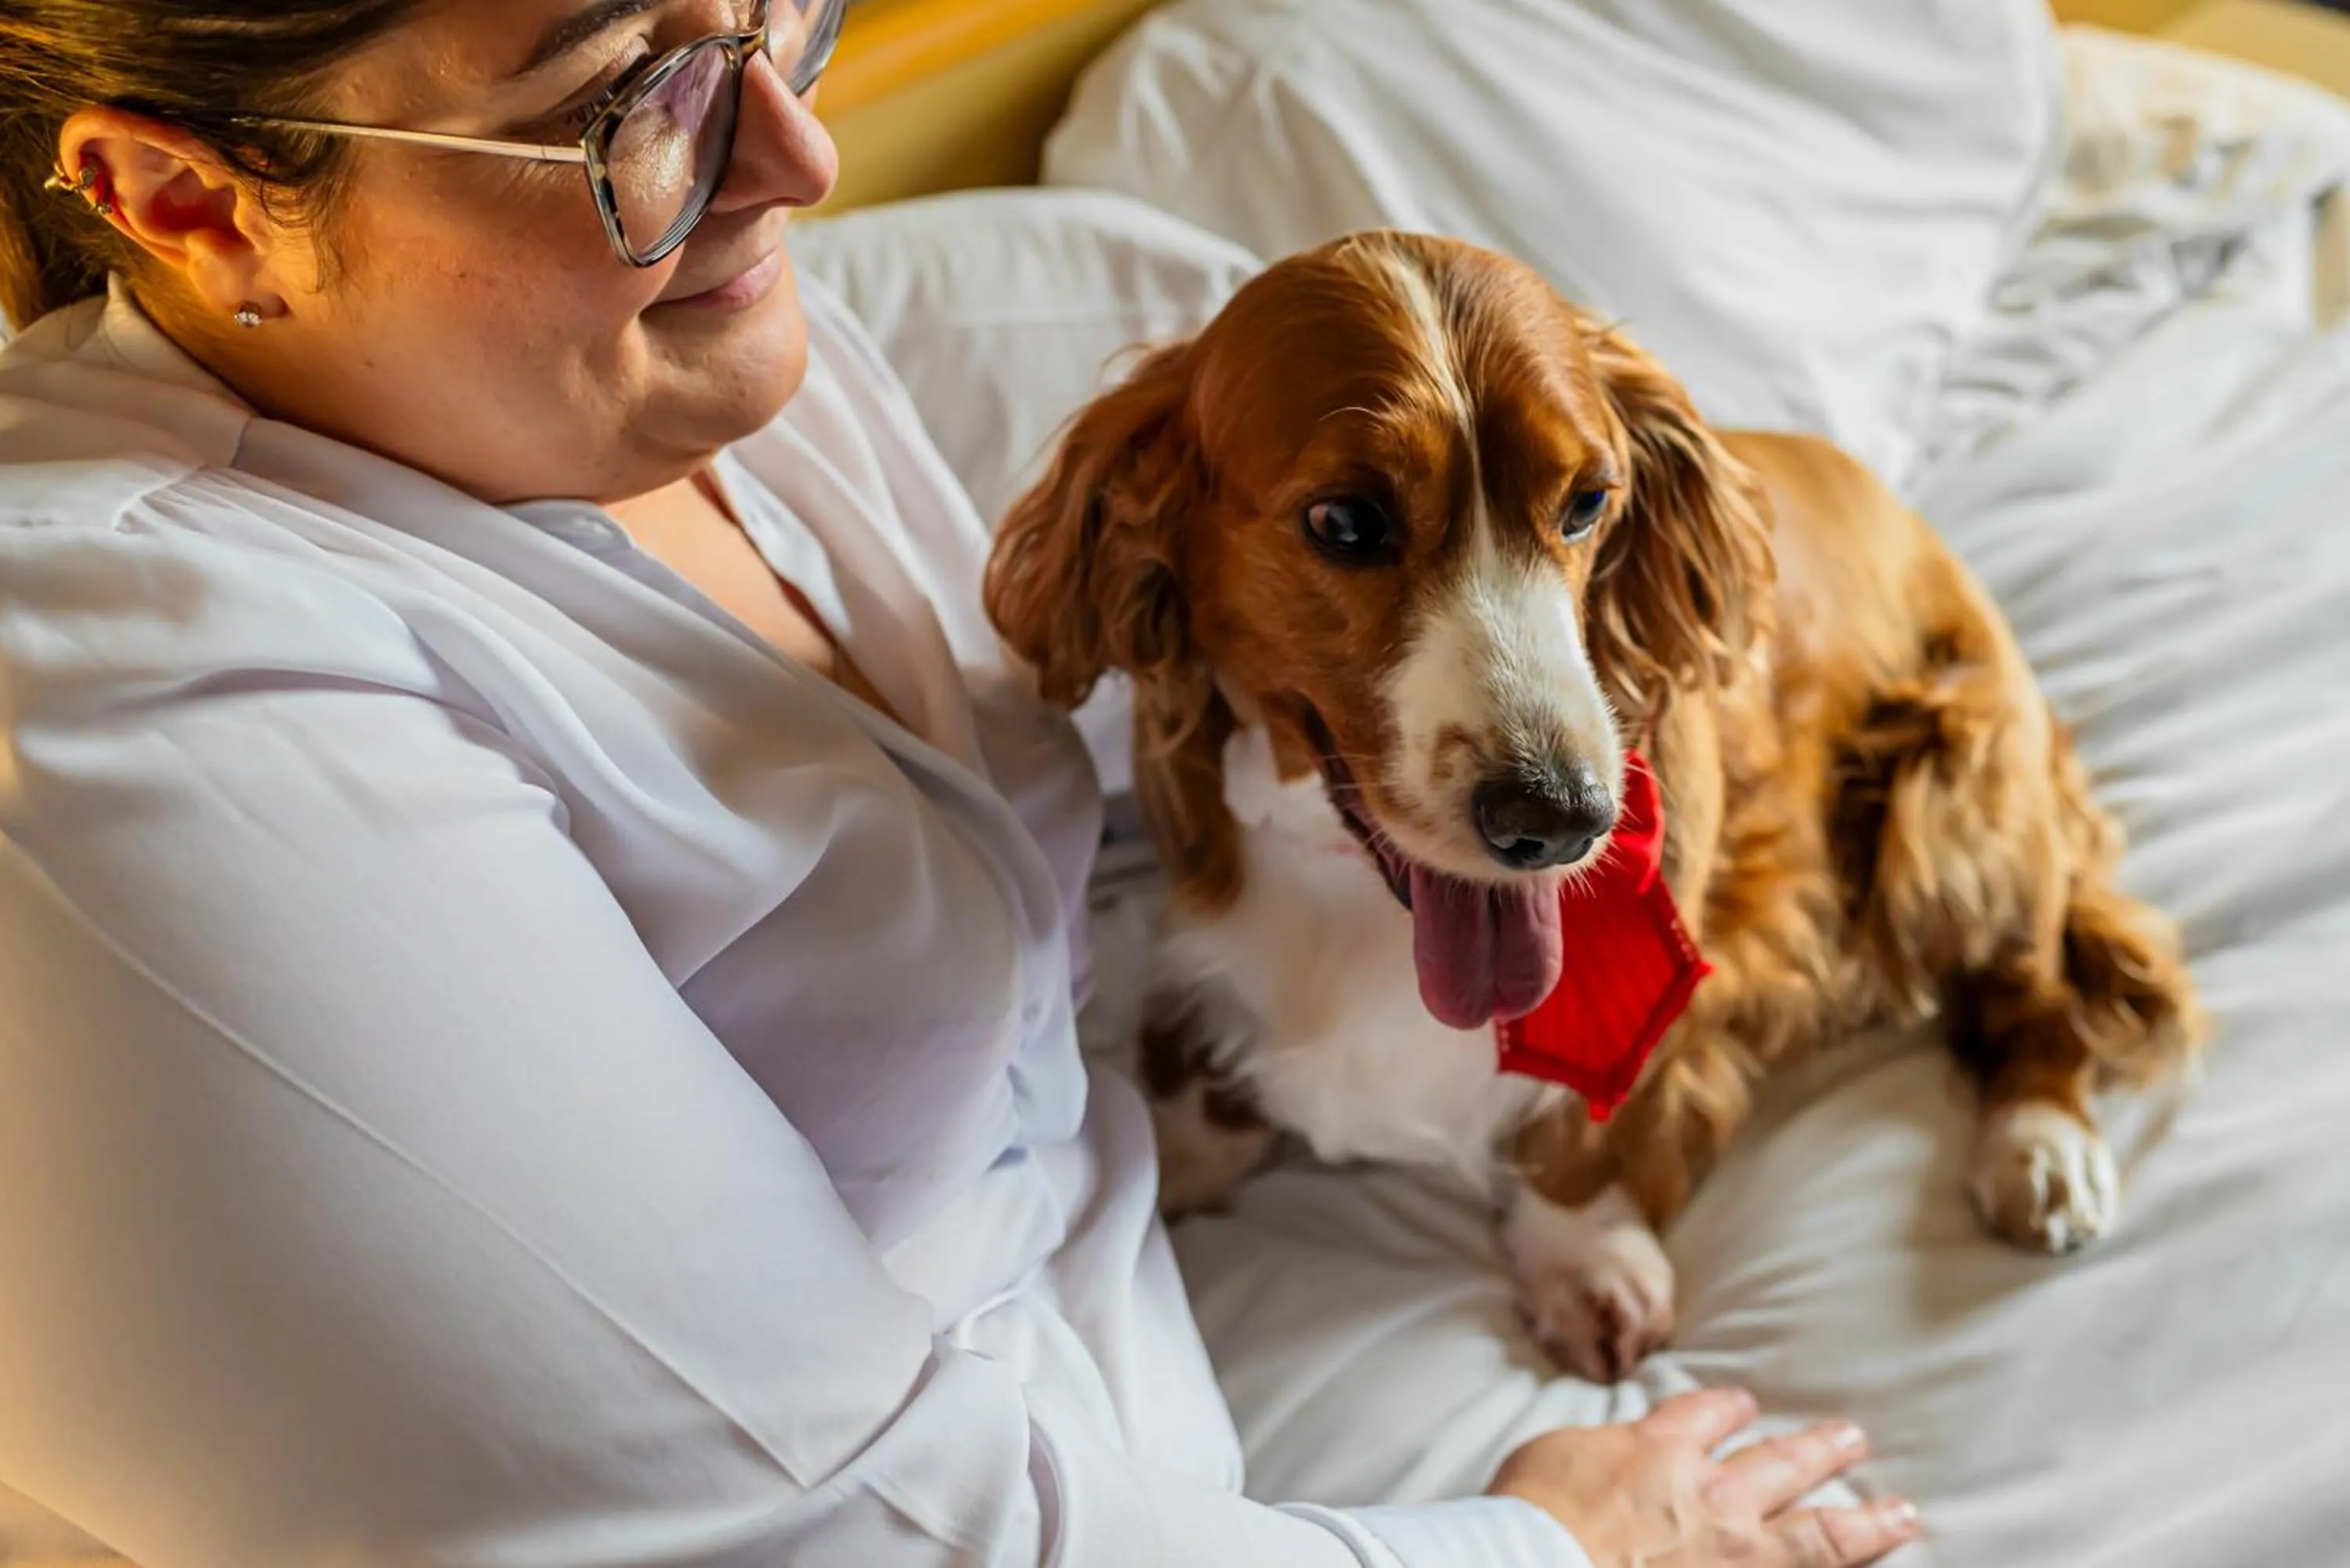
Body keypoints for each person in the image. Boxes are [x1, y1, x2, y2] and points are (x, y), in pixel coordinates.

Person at [0, 2, 1925, 1564]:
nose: (800, 153)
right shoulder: (125, 695)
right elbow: (799, 1535)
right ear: (187, 198)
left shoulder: (706, 361)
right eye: (634, 95)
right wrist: (1550, 1552)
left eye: (773, 13)